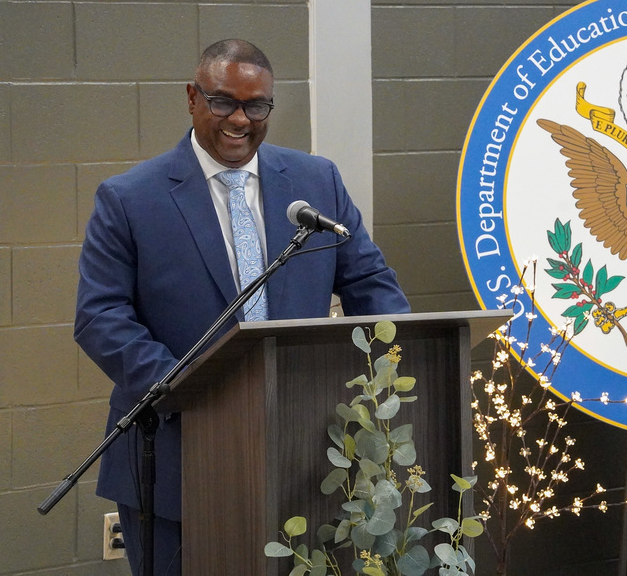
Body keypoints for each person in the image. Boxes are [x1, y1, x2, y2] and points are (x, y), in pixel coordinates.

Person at [74, 39, 410, 575]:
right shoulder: (130, 198)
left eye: (256, 106)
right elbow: (100, 317)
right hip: (176, 459)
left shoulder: (315, 180)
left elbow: (369, 280)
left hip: (304, 452)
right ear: (191, 97)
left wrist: (396, 355)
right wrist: (193, 387)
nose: (240, 119)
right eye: (222, 101)